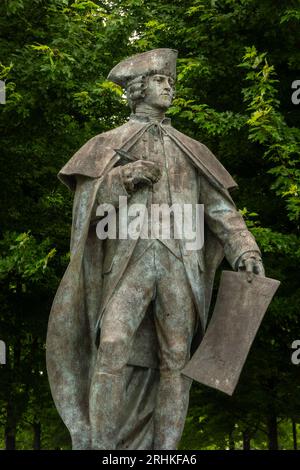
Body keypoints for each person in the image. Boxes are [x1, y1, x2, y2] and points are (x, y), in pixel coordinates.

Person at [46, 48, 264, 450]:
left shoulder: (191, 149)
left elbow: (219, 209)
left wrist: (244, 247)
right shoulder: (107, 145)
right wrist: (121, 178)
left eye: (171, 82)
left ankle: (166, 452)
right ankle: (102, 446)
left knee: (176, 361)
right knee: (111, 346)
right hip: (128, 264)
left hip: (179, 263)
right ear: (138, 88)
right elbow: (85, 210)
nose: (170, 88)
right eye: (162, 81)